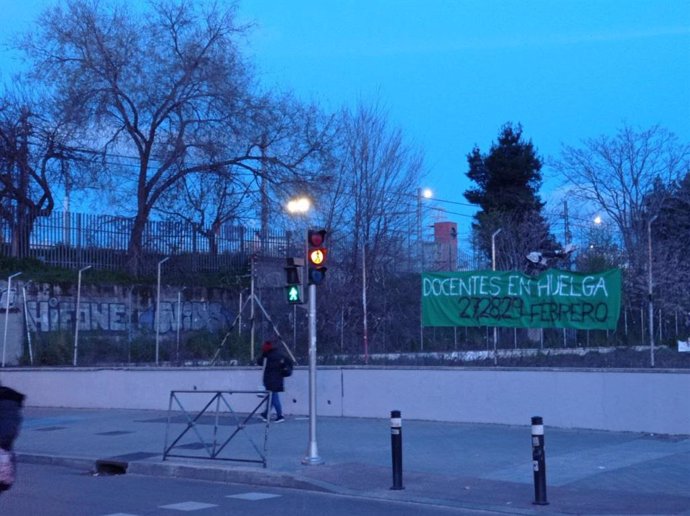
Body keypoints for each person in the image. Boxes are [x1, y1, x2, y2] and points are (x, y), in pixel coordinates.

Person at [257, 340, 292, 423]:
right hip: (278, 379)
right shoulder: (280, 355)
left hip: (270, 380)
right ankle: (265, 414)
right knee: (271, 397)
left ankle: (280, 415)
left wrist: (263, 355)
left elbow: (259, 362)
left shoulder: (268, 356)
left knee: (274, 398)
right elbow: (288, 362)